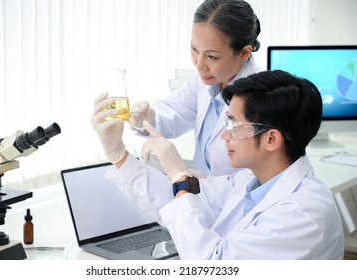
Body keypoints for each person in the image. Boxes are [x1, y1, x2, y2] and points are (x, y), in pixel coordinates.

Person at [91, 70, 345, 259]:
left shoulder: (302, 214)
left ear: (271, 139)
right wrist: (119, 155)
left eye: (234, 125)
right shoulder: (251, 181)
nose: (224, 134)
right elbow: (186, 204)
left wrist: (179, 174)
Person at [129, 0, 262, 177]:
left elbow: (256, 180)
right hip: (199, 194)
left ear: (244, 53)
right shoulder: (206, 80)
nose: (199, 65)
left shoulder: (261, 99)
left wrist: (206, 184)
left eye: (212, 57)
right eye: (194, 49)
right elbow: (177, 109)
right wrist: (149, 120)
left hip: (234, 201)